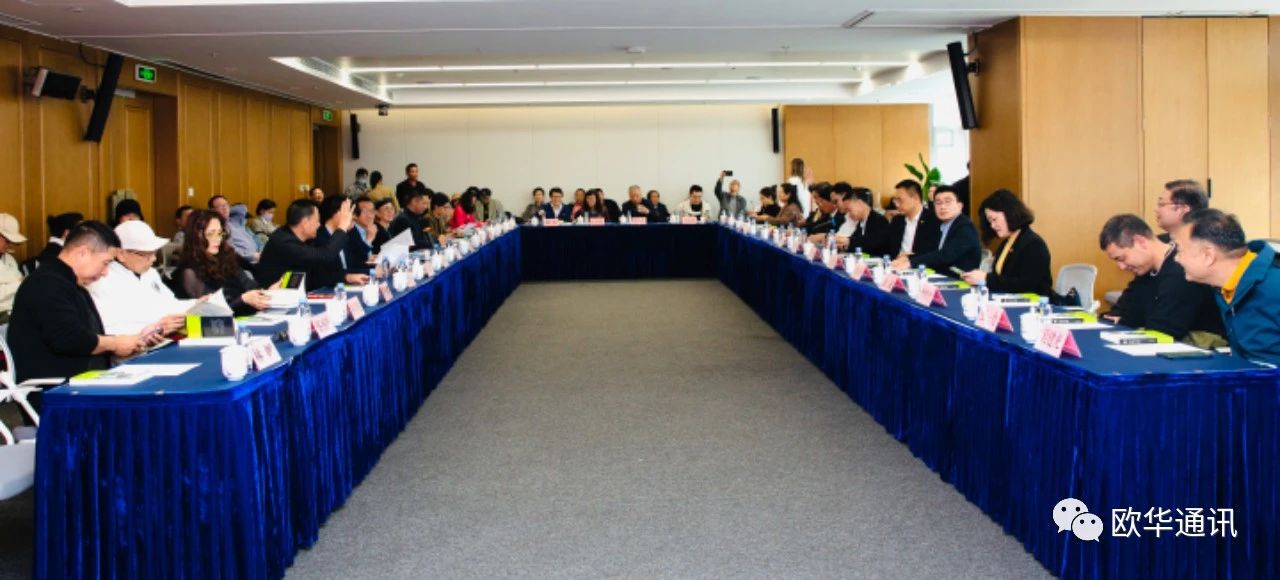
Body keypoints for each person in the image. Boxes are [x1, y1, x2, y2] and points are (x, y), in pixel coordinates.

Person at [6, 222, 149, 383]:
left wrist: (127, 343)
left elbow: (86, 334)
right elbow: (69, 338)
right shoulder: (46, 284)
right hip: (55, 388)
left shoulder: (71, 283)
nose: (105, 272)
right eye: (105, 263)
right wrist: (115, 343)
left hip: (83, 379)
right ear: (82, 253)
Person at [1175, 209, 1280, 364]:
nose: (1177, 259)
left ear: (1208, 256)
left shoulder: (1274, 287)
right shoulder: (1225, 288)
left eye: (1180, 251)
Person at [1098, 214, 1223, 343]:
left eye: (1122, 258)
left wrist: (1126, 321)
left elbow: (1163, 330)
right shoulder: (1145, 270)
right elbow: (1118, 312)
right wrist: (1126, 320)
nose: (1122, 267)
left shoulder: (1181, 272)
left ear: (1140, 242)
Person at [88, 221, 188, 336]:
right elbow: (108, 327)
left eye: (155, 252)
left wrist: (197, 303)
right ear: (121, 254)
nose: (154, 259)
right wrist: (157, 327)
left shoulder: (150, 273)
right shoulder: (103, 279)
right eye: (146, 254)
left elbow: (170, 303)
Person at [172, 211, 271, 316]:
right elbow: (210, 311)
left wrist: (267, 291)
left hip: (246, 317)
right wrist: (243, 299)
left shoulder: (226, 257)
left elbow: (249, 285)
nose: (218, 239)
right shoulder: (188, 271)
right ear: (196, 236)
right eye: (210, 234)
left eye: (219, 233)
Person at [257, 199, 367, 290]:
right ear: (305, 222)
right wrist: (342, 226)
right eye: (317, 221)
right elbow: (326, 255)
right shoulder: (284, 241)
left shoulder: (305, 240)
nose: (319, 225)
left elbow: (316, 275)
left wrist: (347, 277)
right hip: (272, 301)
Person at [960, 189, 1052, 296]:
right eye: (990, 222)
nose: (992, 226)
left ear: (1009, 213)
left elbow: (1026, 285)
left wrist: (986, 278)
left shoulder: (1033, 244)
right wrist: (978, 278)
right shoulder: (1007, 242)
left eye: (994, 219)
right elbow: (1002, 279)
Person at [892, 187, 980, 275]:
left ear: (960, 206)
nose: (943, 207)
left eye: (948, 202)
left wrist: (911, 262)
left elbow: (946, 255)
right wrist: (908, 258)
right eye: (938, 203)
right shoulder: (942, 225)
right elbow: (932, 252)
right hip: (941, 275)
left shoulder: (965, 227)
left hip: (960, 278)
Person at [831, 187, 892, 256]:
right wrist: (843, 245)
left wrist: (848, 241)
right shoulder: (861, 223)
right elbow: (856, 244)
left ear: (859, 203)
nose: (848, 214)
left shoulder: (879, 221)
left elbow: (872, 243)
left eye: (849, 210)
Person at [888, 179, 940, 260]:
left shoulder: (933, 220)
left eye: (900, 200)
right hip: (896, 264)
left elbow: (933, 253)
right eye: (895, 200)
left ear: (915, 199)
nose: (897, 205)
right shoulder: (897, 220)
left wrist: (910, 258)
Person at [345, 196, 390, 272]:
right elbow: (355, 261)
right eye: (365, 212)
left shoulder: (375, 228)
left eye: (372, 211)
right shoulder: (350, 231)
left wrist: (372, 258)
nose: (370, 215)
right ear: (355, 214)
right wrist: (369, 240)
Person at [0, 213, 27, 323]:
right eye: (7, 241)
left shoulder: (9, 259)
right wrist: (19, 284)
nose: (10, 245)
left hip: (16, 311)